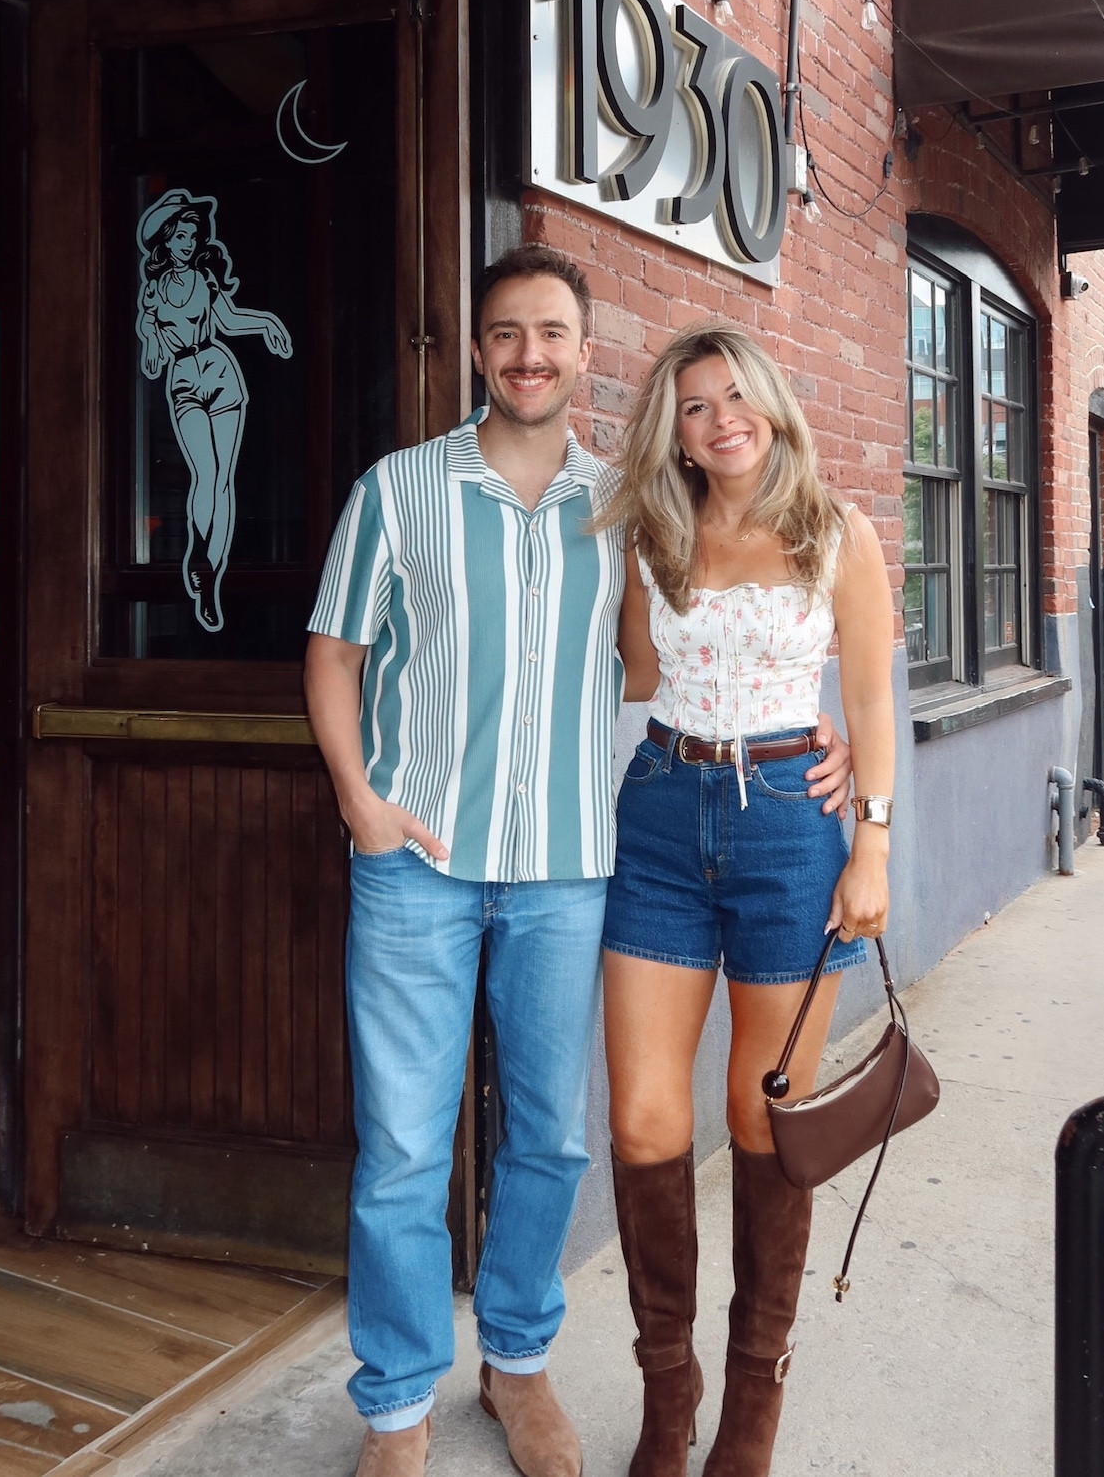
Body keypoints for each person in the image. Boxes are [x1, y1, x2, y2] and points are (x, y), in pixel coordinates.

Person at [304, 251, 849, 1477]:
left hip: (567, 866)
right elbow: (332, 656)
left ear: (583, 347)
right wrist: (362, 802)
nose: (530, 353)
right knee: (401, 1143)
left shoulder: (628, 509)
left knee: (550, 1136)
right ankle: (395, 1407)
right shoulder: (396, 492)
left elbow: (682, 657)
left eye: (552, 331)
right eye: (507, 332)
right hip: (416, 865)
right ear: (475, 348)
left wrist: (817, 714)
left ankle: (516, 1363)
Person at [596, 323, 895, 1477]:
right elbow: (625, 671)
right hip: (663, 814)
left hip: (785, 823)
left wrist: (867, 847)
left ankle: (751, 1402)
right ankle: (665, 1392)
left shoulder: (835, 530)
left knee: (764, 1116)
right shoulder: (654, 537)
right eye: (691, 405)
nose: (719, 417)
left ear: (768, 402)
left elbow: (866, 701)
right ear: (669, 430)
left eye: (734, 395)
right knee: (642, 1121)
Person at [135, 189, 292, 632]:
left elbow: (229, 320)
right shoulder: (152, 294)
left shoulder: (206, 280)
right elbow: (151, 358)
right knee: (204, 475)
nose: (187, 241)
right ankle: (200, 550)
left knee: (224, 480)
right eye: (179, 234)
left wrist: (267, 323)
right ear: (164, 241)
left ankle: (208, 576)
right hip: (184, 378)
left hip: (220, 370)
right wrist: (151, 342)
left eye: (191, 234)